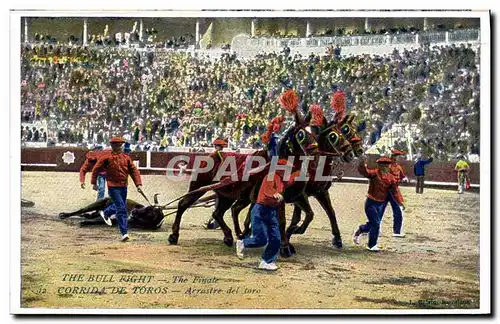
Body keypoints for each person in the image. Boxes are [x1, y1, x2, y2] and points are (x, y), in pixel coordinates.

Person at [235, 159, 300, 271]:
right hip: (260, 211)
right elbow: (267, 190)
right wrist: (274, 194)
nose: (289, 171)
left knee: (276, 239)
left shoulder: (283, 179)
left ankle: (266, 261)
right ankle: (242, 243)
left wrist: (300, 173)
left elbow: (291, 180)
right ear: (280, 169)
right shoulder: (271, 176)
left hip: (271, 212)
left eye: (290, 169)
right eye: (287, 169)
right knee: (261, 240)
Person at [91, 136, 144, 242]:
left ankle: (106, 212)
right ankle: (124, 233)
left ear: (121, 145)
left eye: (119, 145)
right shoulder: (106, 157)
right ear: (112, 146)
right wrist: (94, 183)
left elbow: (134, 171)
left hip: (124, 186)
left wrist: (138, 184)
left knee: (121, 205)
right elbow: (96, 169)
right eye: (115, 145)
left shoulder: (126, 158)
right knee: (121, 209)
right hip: (113, 186)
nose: (118, 147)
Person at [352, 156, 405, 251]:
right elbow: (365, 172)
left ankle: (361, 229)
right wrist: (362, 163)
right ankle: (372, 245)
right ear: (379, 166)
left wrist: (400, 202)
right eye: (382, 165)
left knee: (373, 223)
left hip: (380, 204)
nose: (384, 167)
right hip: (371, 203)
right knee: (376, 223)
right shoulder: (374, 173)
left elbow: (395, 192)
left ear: (388, 166)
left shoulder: (391, 178)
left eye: (386, 165)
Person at [381, 149, 409, 237]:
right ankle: (375, 230)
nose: (396, 158)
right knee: (379, 211)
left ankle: (397, 232)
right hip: (385, 190)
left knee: (398, 211)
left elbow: (402, 176)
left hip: (394, 191)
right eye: (394, 156)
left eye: (397, 156)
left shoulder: (398, 167)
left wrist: (404, 179)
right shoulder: (386, 166)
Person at [204, 138, 228, 230]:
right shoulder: (222, 155)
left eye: (216, 146)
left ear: (219, 147)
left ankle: (216, 224)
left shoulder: (218, 155)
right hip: (221, 181)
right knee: (218, 202)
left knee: (219, 204)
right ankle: (213, 221)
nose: (215, 147)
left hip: (221, 182)